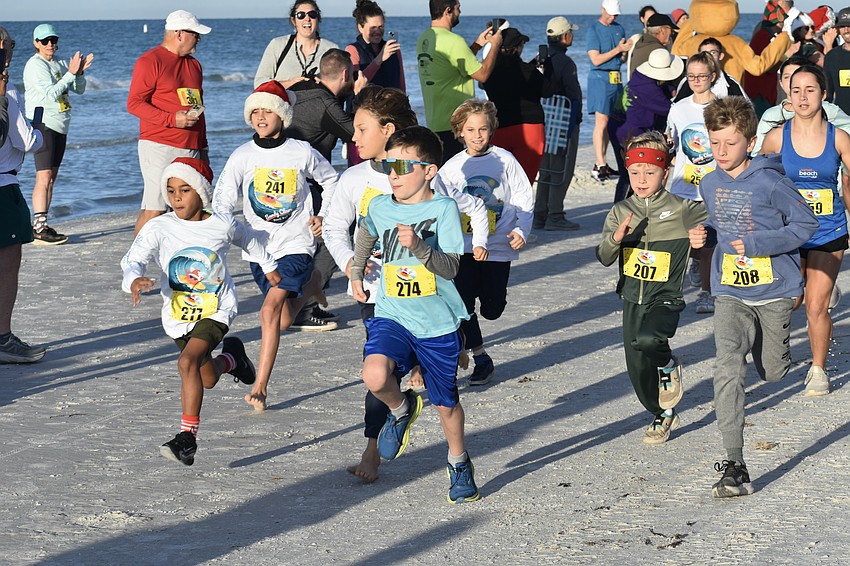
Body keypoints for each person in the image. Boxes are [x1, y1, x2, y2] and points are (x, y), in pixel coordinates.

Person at [694, 95, 818, 498]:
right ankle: (735, 463)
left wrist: (757, 243)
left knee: (773, 372)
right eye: (715, 143)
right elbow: (717, 225)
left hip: (774, 290)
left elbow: (805, 224)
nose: (721, 151)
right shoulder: (710, 183)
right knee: (727, 363)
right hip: (729, 289)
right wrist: (703, 236)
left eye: (730, 143)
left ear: (750, 142)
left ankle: (778, 355)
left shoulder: (771, 182)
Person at [121, 158, 281, 465]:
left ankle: (187, 439)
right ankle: (233, 360)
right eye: (170, 191)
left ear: (201, 193)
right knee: (206, 377)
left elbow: (249, 240)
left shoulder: (222, 224)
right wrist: (134, 279)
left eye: (184, 190)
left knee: (186, 363)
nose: (176, 197)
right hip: (179, 316)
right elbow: (133, 258)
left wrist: (269, 266)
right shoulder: (159, 227)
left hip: (216, 310)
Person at [349, 125, 478, 503]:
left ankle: (458, 462)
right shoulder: (380, 205)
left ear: (429, 171)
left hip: (436, 322)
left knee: (446, 404)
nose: (394, 174)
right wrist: (356, 271)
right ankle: (401, 407)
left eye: (404, 166)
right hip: (392, 313)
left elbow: (451, 268)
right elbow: (367, 232)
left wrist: (420, 247)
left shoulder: (443, 209)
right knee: (374, 374)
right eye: (389, 165)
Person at [212, 80, 338, 411]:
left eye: (267, 110)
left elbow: (331, 180)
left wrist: (323, 215)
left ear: (282, 115)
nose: (260, 116)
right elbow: (222, 199)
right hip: (259, 249)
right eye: (255, 111)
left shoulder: (301, 151)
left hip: (296, 244)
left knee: (268, 312)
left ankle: (261, 387)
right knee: (281, 321)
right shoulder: (242, 155)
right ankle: (311, 286)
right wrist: (228, 228)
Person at [323, 86, 418, 483]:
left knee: (419, 371)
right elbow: (333, 227)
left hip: (419, 293)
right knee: (377, 369)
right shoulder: (354, 178)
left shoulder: (420, 172)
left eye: (362, 129)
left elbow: (449, 228)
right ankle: (372, 448)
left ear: (388, 130)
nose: (354, 137)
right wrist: (350, 265)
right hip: (373, 293)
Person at [597, 131, 707, 445]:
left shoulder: (682, 208)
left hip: (666, 296)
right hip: (632, 298)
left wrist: (702, 237)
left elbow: (716, 220)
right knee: (636, 368)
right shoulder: (620, 211)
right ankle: (662, 412)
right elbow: (604, 256)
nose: (642, 180)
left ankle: (668, 365)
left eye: (650, 172)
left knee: (650, 340)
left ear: (665, 173)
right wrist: (616, 239)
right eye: (635, 173)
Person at [760, 65, 850, 396]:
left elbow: (849, 184)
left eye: (810, 90)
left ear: (824, 94)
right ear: (788, 94)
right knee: (792, 300)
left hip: (828, 232)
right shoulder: (775, 138)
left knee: (815, 306)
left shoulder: (839, 138)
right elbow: (759, 184)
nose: (802, 97)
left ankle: (818, 370)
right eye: (796, 90)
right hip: (787, 234)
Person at [437, 99, 533, 386]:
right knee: (463, 303)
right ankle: (481, 357)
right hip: (464, 246)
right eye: (470, 130)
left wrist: (522, 230)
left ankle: (488, 305)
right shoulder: (452, 167)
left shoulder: (505, 160)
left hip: (499, 246)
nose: (477, 135)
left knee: (492, 310)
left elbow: (523, 197)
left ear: (492, 129)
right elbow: (439, 201)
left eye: (482, 129)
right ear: (459, 132)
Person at [285, 49, 365, 331]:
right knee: (334, 232)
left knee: (306, 242)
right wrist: (359, 96)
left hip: (282, 178)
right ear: (345, 74)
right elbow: (357, 133)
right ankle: (303, 307)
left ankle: (301, 303)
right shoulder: (325, 102)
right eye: (352, 75)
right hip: (307, 183)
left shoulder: (301, 88)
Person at [127, 10, 211, 236]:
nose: (199, 39)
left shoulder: (195, 65)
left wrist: (203, 148)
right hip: (159, 145)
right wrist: (172, 119)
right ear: (179, 33)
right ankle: (137, 258)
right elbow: (134, 104)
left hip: (191, 147)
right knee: (155, 209)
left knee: (190, 209)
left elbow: (199, 108)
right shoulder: (150, 61)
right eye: (195, 34)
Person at [0, 28, 47, 364]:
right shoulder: (8, 89)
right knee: (7, 266)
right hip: (4, 186)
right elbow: (25, 141)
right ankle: (3, 338)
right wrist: (39, 133)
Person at [23, 23, 93, 245]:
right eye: (45, 41)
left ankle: (42, 224)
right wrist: (71, 73)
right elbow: (51, 94)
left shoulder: (60, 63)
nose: (50, 44)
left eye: (53, 40)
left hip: (61, 124)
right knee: (43, 176)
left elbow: (79, 89)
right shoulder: (35, 65)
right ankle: (39, 227)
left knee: (51, 178)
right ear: (36, 43)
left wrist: (79, 73)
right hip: (43, 124)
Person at [416, 0, 503, 164]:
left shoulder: (425, 38)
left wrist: (477, 45)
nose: (460, 12)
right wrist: (495, 46)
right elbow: (482, 74)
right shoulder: (454, 41)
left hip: (434, 122)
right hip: (457, 124)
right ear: (448, 10)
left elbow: (452, 66)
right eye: (458, 8)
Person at [667, 52, 721, 315]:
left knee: (710, 243)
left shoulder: (722, 107)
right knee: (684, 241)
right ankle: (696, 262)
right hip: (684, 186)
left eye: (702, 76)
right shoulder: (678, 108)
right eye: (691, 76)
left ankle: (707, 293)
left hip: (714, 187)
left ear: (713, 76)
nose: (696, 81)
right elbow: (671, 144)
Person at [480, 27, 553, 184]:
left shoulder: (490, 73)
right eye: (521, 45)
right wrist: (547, 67)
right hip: (530, 129)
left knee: (500, 184)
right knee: (524, 183)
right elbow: (548, 90)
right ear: (516, 48)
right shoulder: (528, 71)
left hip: (500, 128)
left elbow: (507, 79)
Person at [534, 16, 583, 231]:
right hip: (563, 121)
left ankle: (540, 215)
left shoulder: (539, 59)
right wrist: (575, 123)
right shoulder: (566, 62)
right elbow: (574, 96)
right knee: (562, 169)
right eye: (570, 33)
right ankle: (555, 215)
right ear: (564, 37)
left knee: (545, 168)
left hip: (543, 121)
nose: (571, 36)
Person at [587, 0, 632, 182]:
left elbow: (622, 58)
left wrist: (625, 51)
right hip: (600, 78)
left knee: (612, 121)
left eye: (615, 14)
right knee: (602, 121)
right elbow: (596, 60)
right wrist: (618, 49)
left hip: (616, 78)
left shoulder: (619, 28)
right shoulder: (593, 30)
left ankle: (602, 162)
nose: (612, 17)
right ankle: (600, 164)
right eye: (610, 13)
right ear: (603, 9)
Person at [254, 1, 339, 89]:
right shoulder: (277, 45)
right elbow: (259, 83)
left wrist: (323, 84)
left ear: (318, 19)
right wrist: (290, 84)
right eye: (301, 15)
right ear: (293, 20)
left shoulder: (331, 50)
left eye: (312, 14)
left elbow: (339, 86)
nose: (307, 19)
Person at [616, 49, 682, 152]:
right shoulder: (648, 89)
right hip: (633, 135)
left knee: (625, 161)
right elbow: (670, 109)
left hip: (617, 126)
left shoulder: (639, 78)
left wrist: (669, 88)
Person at [743, 0, 795, 118]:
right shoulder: (765, 37)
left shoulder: (762, 34)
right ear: (779, 22)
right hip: (761, 91)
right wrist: (786, 55)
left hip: (758, 89)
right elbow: (769, 67)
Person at [345, 0, 405, 91]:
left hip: (392, 99)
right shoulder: (353, 50)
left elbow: (401, 84)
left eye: (381, 27)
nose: (377, 31)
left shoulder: (393, 49)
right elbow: (356, 86)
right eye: (373, 28)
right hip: (367, 99)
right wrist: (379, 59)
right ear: (360, 27)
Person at [673, 37, 746, 101]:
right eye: (704, 53)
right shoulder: (689, 81)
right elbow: (677, 105)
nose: (708, 56)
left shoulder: (730, 83)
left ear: (721, 56)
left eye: (713, 52)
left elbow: (746, 108)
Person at [628, 12, 678, 77]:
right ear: (662, 30)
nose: (672, 33)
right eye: (671, 29)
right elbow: (663, 78)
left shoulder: (640, 43)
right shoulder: (658, 51)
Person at [824, 7, 850, 114]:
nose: (846, 30)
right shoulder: (832, 57)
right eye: (842, 26)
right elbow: (828, 93)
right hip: (841, 117)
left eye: (849, 26)